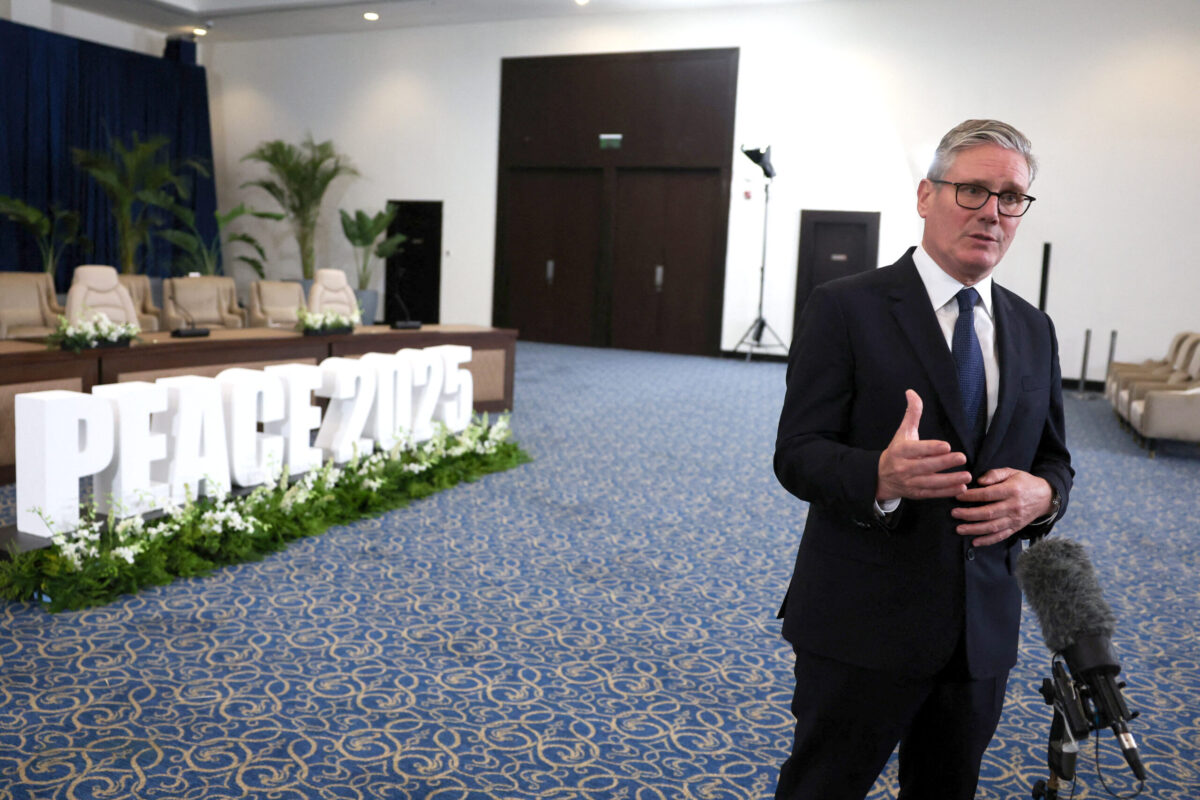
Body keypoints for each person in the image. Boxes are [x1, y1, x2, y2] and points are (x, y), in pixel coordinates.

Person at [772, 119, 1074, 800]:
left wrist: (1043, 498)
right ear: (925, 195)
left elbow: (1055, 460)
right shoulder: (845, 307)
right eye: (971, 190)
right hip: (862, 622)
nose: (992, 212)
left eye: (1011, 196)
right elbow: (796, 454)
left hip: (980, 634)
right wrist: (877, 476)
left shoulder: (1033, 328)